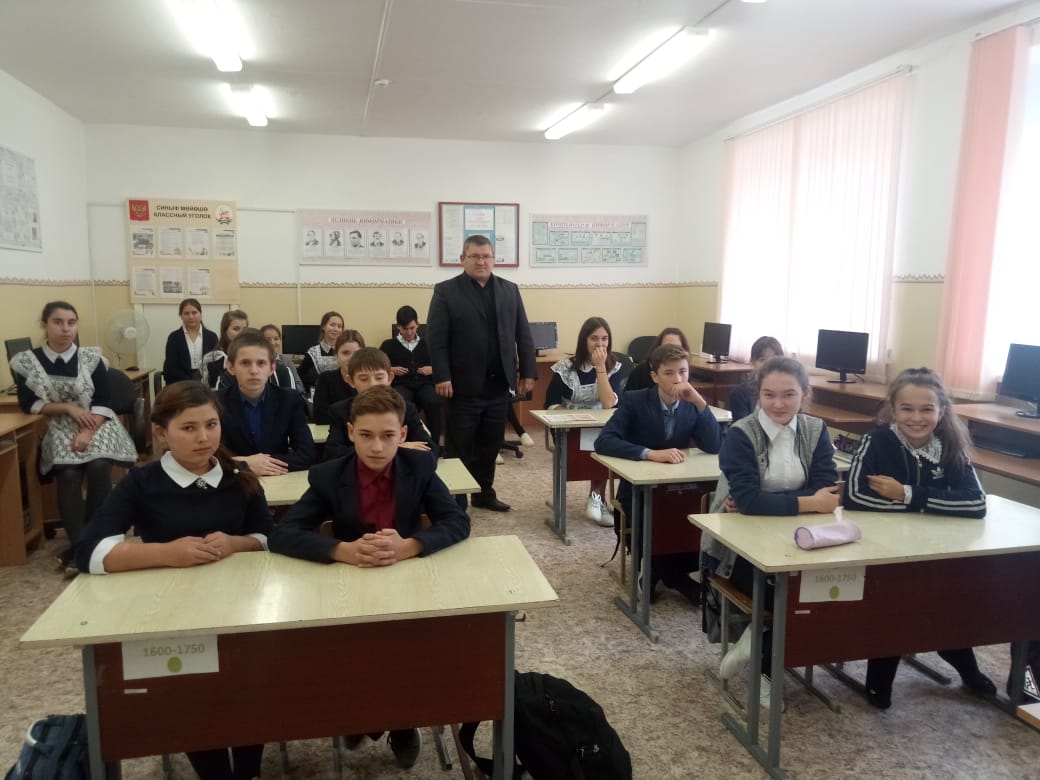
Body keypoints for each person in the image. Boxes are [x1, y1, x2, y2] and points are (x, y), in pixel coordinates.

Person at [75, 380, 270, 779]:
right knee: (192, 697)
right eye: (189, 428)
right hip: (175, 614)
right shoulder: (141, 483)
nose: (204, 438)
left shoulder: (239, 476)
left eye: (211, 425)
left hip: (239, 608)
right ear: (161, 433)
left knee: (251, 687)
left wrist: (236, 543)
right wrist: (167, 553)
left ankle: (249, 770)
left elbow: (269, 537)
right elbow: (90, 551)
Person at [269, 385, 470, 770]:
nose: (377, 447)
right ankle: (364, 712)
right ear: (350, 432)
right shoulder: (328, 475)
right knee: (350, 651)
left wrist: (410, 546)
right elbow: (282, 534)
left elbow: (457, 521)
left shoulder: (420, 467)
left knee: (408, 649)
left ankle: (398, 722)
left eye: (388, 436)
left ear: (403, 434)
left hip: (406, 583)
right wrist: (341, 550)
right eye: (366, 435)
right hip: (350, 586)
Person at [844, 367, 994, 709]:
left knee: (950, 601)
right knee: (898, 604)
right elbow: (854, 497)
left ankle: (958, 654)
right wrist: (935, 506)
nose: (916, 418)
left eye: (927, 409)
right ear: (893, 410)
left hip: (939, 553)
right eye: (907, 409)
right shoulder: (877, 441)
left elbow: (975, 504)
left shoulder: (949, 446)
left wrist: (907, 494)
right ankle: (882, 669)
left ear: (941, 411)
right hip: (886, 553)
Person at [702, 356, 840, 708]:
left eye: (789, 394)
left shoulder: (815, 430)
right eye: (769, 395)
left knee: (825, 588)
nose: (778, 404)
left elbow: (827, 488)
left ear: (805, 394)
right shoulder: (740, 434)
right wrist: (809, 502)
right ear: (758, 395)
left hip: (803, 538)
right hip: (741, 549)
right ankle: (765, 671)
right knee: (786, 592)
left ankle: (754, 639)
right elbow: (749, 502)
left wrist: (773, 501)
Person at [9, 301, 137, 573]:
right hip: (59, 425)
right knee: (68, 474)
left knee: (99, 466)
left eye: (71, 322)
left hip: (98, 422)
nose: (66, 329)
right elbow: (29, 403)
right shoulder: (27, 362)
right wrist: (67, 408)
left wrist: (88, 431)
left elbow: (104, 400)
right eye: (58, 322)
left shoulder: (91, 358)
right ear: (44, 325)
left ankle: (94, 538)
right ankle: (82, 545)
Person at [595, 344, 723, 598]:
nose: (678, 379)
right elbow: (604, 441)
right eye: (669, 373)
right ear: (654, 376)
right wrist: (650, 453)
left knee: (696, 514)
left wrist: (699, 402)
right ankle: (674, 577)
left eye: (683, 372)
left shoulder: (690, 403)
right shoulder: (635, 401)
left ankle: (660, 573)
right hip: (640, 491)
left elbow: (714, 445)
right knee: (655, 517)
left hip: (680, 487)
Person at [428, 235, 536, 512]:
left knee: (490, 445)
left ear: (494, 259)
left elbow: (523, 333)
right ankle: (457, 499)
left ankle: (483, 493)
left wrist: (528, 371)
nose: (481, 261)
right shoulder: (446, 291)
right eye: (474, 256)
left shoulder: (509, 290)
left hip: (498, 386)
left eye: (486, 256)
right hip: (461, 387)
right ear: (462, 259)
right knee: (459, 446)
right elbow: (436, 340)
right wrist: (442, 376)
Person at [546, 316, 624, 527]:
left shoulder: (615, 367)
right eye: (594, 338)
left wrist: (600, 367)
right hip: (569, 425)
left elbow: (608, 403)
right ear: (584, 340)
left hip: (600, 424)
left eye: (605, 339)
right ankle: (594, 499)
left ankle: (596, 497)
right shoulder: (564, 368)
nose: (600, 344)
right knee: (587, 447)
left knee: (605, 444)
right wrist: (571, 417)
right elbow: (550, 402)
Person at [218, 330, 314, 474]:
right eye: (245, 363)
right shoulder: (216, 402)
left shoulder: (289, 399)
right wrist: (243, 465)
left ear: (272, 368)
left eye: (261, 363)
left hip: (278, 479)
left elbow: (307, 454)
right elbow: (208, 458)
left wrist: (261, 464)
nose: (254, 371)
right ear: (231, 367)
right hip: (234, 480)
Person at [324, 348, 435, 460]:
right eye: (363, 379)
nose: (373, 384)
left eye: (379, 378)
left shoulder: (406, 409)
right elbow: (332, 453)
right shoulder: (339, 411)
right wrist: (396, 447)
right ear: (351, 381)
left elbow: (430, 450)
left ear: (390, 378)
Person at [379, 305, 441, 445]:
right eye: (405, 329)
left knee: (433, 402)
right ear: (398, 327)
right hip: (402, 385)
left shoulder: (428, 344)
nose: (409, 332)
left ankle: (434, 444)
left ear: (417, 324)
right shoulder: (388, 345)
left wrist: (433, 369)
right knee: (402, 403)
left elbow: (442, 363)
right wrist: (390, 369)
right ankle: (408, 443)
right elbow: (377, 365)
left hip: (425, 384)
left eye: (412, 328)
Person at [312, 329, 364, 424]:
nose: (351, 358)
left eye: (356, 354)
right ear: (336, 355)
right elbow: (320, 417)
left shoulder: (370, 380)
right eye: (345, 353)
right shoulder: (325, 379)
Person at [728, 336, 784, 421]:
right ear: (752, 362)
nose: (768, 365)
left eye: (774, 360)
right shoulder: (740, 394)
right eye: (762, 360)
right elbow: (742, 427)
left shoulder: (788, 391)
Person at [162, 297, 217, 384]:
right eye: (186, 313)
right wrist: (191, 383)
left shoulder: (211, 337)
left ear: (201, 314)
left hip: (206, 383)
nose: (191, 317)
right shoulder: (174, 337)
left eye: (194, 313)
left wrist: (204, 381)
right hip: (181, 383)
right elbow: (172, 367)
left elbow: (215, 364)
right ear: (181, 316)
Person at [625, 327, 690, 393]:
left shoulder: (686, 372)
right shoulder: (640, 371)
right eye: (667, 347)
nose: (672, 352)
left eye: (677, 348)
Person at [200, 309, 248, 390]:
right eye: (236, 329)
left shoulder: (250, 353)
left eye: (244, 329)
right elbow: (213, 389)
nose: (241, 333)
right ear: (225, 331)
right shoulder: (216, 358)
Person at [298, 310, 344, 393]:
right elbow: (300, 375)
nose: (336, 329)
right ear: (323, 326)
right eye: (332, 325)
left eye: (339, 326)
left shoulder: (346, 351)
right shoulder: (313, 352)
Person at [260, 324, 306, 397]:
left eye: (276, 339)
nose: (272, 343)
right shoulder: (258, 363)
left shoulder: (286, 361)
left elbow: (299, 385)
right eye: (268, 339)